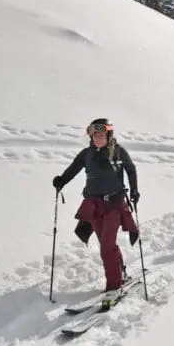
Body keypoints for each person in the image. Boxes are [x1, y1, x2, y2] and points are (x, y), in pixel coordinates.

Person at [52, 118, 140, 295]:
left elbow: (131, 170)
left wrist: (134, 190)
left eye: (101, 134)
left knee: (107, 245)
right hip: (94, 205)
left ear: (108, 135)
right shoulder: (86, 154)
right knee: (106, 244)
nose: (98, 138)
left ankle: (114, 286)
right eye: (95, 135)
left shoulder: (119, 152)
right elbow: (73, 169)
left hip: (114, 204)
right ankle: (120, 272)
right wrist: (61, 181)